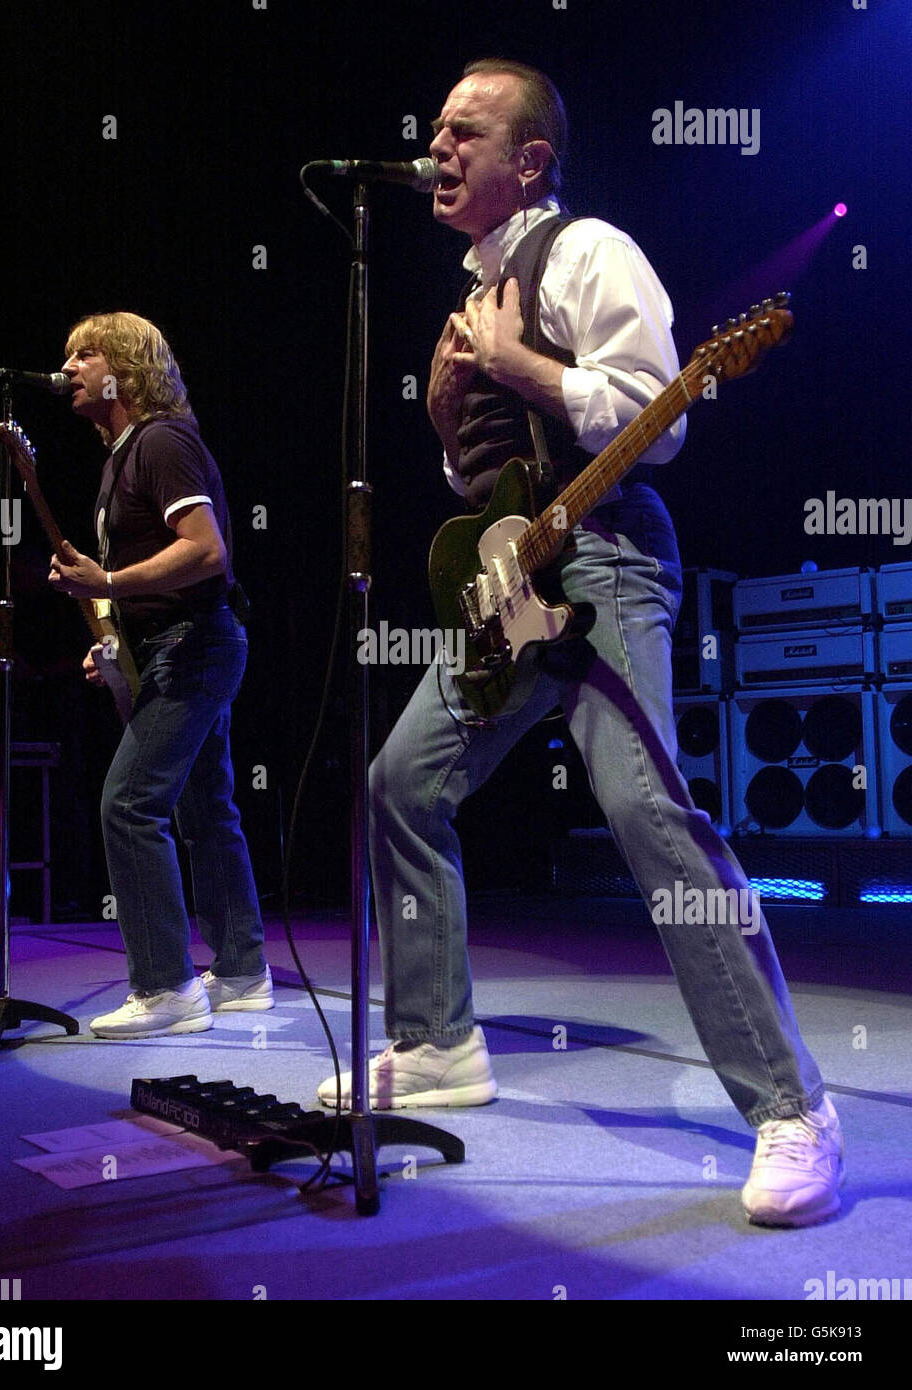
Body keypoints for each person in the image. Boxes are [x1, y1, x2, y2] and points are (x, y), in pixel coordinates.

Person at [319, 61, 843, 1227]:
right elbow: (482, 478)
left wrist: (516, 367)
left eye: (465, 131)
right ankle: (437, 1040)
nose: (437, 146)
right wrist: (457, 419)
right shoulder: (471, 297)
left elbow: (658, 412)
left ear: (530, 162)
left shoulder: (587, 250)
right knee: (399, 782)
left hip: (608, 554)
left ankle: (793, 1108)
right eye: (435, 130)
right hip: (517, 575)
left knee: (646, 808)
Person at [48, 311, 272, 1037]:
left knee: (128, 804)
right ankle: (240, 969)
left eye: (87, 353)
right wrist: (113, 640)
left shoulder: (162, 440)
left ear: (127, 368)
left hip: (195, 646)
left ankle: (167, 988)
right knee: (206, 808)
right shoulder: (122, 454)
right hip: (177, 643)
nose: (71, 366)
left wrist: (106, 582)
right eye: (69, 354)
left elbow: (206, 551)